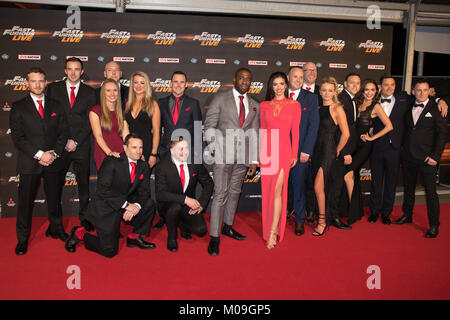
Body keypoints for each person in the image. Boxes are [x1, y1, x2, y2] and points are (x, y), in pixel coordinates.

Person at [370, 75, 447, 224]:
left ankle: (386, 213)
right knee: (377, 183)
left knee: (393, 183)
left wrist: (440, 100)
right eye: (386, 85)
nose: (389, 88)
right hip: (380, 147)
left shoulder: (404, 99)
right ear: (380, 87)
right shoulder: (372, 101)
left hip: (397, 149)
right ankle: (375, 211)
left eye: (392, 85)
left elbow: (428, 100)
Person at [65, 133, 156, 257]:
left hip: (125, 200)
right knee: (109, 251)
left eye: (140, 147)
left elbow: (144, 191)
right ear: (125, 147)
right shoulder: (112, 161)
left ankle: (134, 237)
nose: (138, 151)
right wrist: (126, 205)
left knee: (149, 204)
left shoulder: (143, 166)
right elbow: (102, 190)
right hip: (106, 206)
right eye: (134, 147)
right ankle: (79, 233)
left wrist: (136, 206)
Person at [10, 68, 69, 255]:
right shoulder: (18, 107)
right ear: (27, 83)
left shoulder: (56, 105)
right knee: (25, 202)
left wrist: (54, 154)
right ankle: (23, 239)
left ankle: (56, 229)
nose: (37, 84)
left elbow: (63, 133)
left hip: (54, 161)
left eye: (41, 81)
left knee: (54, 199)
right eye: (33, 81)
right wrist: (39, 154)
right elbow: (18, 138)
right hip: (30, 163)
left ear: (45, 82)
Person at [204, 67, 260, 256]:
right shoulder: (221, 98)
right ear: (234, 79)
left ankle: (228, 227)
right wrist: (214, 148)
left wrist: (253, 159)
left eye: (248, 79)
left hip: (243, 158)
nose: (245, 81)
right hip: (222, 156)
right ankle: (214, 237)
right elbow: (209, 126)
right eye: (242, 78)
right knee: (220, 194)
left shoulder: (254, 105)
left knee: (235, 192)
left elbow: (254, 133)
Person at [46, 57, 97, 232]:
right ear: (65, 71)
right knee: (55, 185)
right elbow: (49, 117)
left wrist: (75, 141)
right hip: (59, 145)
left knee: (84, 185)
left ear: (82, 72)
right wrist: (64, 140)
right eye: (70, 69)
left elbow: (91, 120)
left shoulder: (90, 93)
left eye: (77, 69)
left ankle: (85, 218)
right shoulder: (53, 89)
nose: (73, 72)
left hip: (81, 146)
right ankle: (55, 223)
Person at [393, 80, 447, 238]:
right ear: (413, 91)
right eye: (418, 90)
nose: (422, 93)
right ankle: (407, 215)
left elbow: (442, 135)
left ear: (430, 91)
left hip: (427, 159)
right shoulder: (409, 104)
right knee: (408, 189)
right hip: (409, 156)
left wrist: (435, 156)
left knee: (431, 193)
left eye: (425, 90)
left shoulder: (437, 108)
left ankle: (434, 225)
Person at [154, 71, 203, 230]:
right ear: (170, 83)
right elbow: (156, 129)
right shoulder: (160, 103)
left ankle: (186, 219)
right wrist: (160, 151)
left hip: (185, 154)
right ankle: (164, 216)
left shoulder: (193, 103)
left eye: (182, 82)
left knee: (187, 186)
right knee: (166, 188)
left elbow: (197, 130)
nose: (178, 85)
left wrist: (194, 154)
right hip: (166, 153)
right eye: (175, 81)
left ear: (186, 85)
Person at [342, 79, 393, 225]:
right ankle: (355, 210)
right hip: (352, 145)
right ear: (362, 91)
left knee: (348, 175)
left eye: (372, 90)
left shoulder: (375, 106)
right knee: (353, 176)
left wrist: (372, 137)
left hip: (364, 147)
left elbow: (389, 126)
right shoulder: (356, 103)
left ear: (376, 92)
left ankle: (352, 212)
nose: (369, 93)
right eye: (367, 90)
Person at [260, 72, 300, 248]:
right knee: (268, 192)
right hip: (267, 152)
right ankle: (269, 226)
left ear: (286, 85)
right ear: (271, 86)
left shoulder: (294, 105)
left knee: (277, 191)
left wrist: (293, 154)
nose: (278, 87)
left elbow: (296, 132)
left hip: (284, 151)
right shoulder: (264, 105)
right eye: (275, 84)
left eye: (282, 84)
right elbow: (262, 131)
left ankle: (272, 232)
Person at [155, 138, 214, 252]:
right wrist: (185, 199)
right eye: (180, 149)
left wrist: (202, 203)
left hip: (188, 205)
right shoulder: (162, 166)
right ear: (172, 151)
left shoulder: (194, 162)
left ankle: (182, 223)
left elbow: (209, 183)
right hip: (168, 205)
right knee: (175, 208)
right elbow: (160, 194)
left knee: (201, 230)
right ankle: (172, 237)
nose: (185, 152)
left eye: (186, 148)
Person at [311, 77, 350, 236]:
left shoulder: (337, 108)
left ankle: (322, 221)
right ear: (320, 92)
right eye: (324, 90)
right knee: (319, 187)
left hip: (328, 151)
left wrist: (338, 150)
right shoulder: (318, 108)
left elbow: (346, 134)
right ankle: (321, 217)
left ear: (335, 92)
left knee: (318, 187)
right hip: (316, 150)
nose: (326, 93)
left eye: (330, 90)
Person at [286, 66, 319, 234]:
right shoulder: (279, 94)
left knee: (299, 186)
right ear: (288, 77)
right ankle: (281, 214)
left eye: (301, 77)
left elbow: (313, 127)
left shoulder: (311, 99)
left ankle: (299, 219)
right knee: (282, 187)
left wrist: (307, 150)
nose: (299, 79)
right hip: (281, 152)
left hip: (300, 153)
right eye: (295, 76)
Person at [326, 72, 361, 230]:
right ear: (345, 84)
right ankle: (333, 217)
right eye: (352, 82)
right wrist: (345, 151)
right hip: (340, 150)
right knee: (336, 184)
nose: (355, 85)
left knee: (338, 183)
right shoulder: (343, 101)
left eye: (358, 83)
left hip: (346, 149)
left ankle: (336, 214)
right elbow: (341, 131)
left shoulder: (352, 100)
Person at [89, 79, 129, 171]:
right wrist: (109, 152)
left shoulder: (121, 112)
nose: (112, 94)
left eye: (115, 90)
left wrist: (132, 151)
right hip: (103, 153)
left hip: (120, 152)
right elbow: (98, 136)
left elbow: (126, 136)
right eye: (108, 90)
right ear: (103, 93)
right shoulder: (95, 111)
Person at [124, 71, 160, 168]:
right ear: (132, 85)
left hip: (146, 148)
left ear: (146, 85)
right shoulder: (127, 105)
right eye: (136, 82)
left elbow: (157, 131)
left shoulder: (153, 104)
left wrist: (153, 153)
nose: (138, 85)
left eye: (142, 83)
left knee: (143, 181)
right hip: (130, 149)